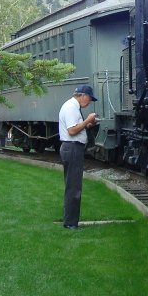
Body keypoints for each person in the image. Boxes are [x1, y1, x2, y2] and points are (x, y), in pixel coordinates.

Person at [58, 84, 98, 229]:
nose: (89, 102)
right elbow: (72, 131)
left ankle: (70, 221)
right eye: (90, 99)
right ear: (83, 95)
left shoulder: (72, 107)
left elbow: (76, 127)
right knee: (74, 188)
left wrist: (88, 125)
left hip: (73, 148)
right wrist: (87, 120)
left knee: (73, 186)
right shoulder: (71, 108)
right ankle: (70, 224)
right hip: (73, 148)